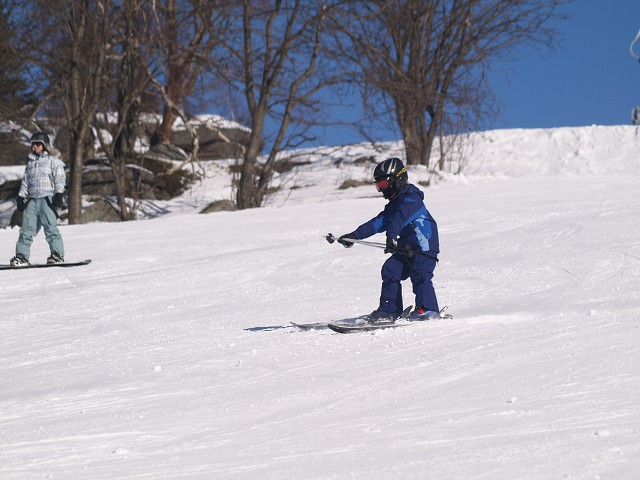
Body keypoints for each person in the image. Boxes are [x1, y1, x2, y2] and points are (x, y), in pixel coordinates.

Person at [337, 157, 440, 321]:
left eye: (383, 185)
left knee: (420, 274)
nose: (381, 190)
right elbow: (379, 223)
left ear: (397, 179)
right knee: (390, 269)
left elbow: (399, 219)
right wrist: (354, 236)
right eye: (378, 186)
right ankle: (389, 310)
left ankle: (428, 309)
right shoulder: (395, 204)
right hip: (406, 248)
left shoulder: (412, 199)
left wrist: (391, 237)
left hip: (424, 247)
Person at [10, 132, 66, 266]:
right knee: (26, 230)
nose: (34, 146)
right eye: (33, 144)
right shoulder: (30, 163)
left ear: (45, 146)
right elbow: (25, 182)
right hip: (33, 201)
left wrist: (59, 194)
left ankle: (57, 255)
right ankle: (22, 257)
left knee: (50, 228)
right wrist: (21, 197)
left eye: (38, 144)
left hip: (47, 200)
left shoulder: (53, 161)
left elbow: (59, 179)